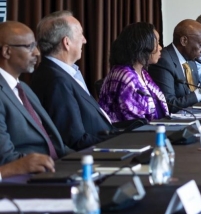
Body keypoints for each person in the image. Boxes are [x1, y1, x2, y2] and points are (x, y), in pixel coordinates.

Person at [32, 11, 117, 150]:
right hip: (92, 159)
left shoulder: (62, 73)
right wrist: (122, 140)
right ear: (66, 42)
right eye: (80, 35)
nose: (84, 40)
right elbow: (75, 140)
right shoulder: (56, 81)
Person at [0, 21, 68, 164]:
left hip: (58, 166)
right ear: (6, 51)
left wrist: (87, 158)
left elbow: (54, 144)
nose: (37, 53)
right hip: (27, 178)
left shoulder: (24, 88)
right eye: (29, 47)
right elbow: (6, 159)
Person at [148, 19, 201, 112]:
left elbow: (193, 97)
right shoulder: (163, 61)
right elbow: (170, 105)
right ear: (184, 41)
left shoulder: (190, 59)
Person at [98, 23, 170, 123]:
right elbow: (135, 122)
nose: (161, 47)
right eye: (157, 43)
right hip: (132, 136)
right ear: (144, 45)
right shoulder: (124, 76)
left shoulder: (142, 73)